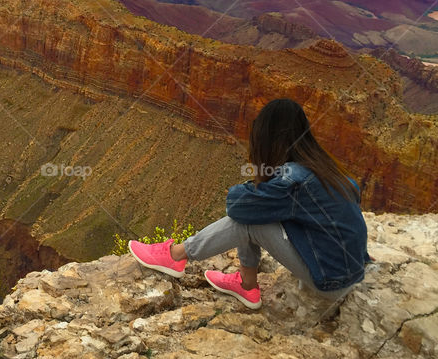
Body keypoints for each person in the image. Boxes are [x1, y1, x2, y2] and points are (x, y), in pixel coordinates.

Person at [128, 98, 369, 309]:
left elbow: (237, 205)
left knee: (247, 221)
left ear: (269, 139)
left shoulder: (294, 179)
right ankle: (246, 284)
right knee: (257, 213)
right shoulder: (326, 168)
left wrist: (255, 186)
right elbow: (346, 215)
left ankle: (176, 255)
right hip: (351, 272)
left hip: (331, 283)